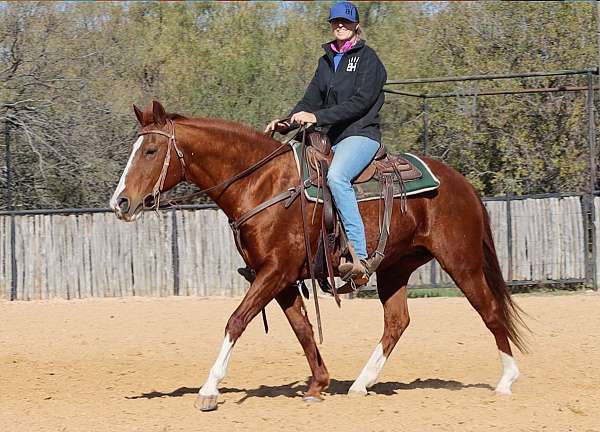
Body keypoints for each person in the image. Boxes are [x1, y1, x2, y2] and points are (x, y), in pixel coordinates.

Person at [265, 1, 387, 284]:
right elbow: (310, 100)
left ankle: (359, 254)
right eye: (335, 22)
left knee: (337, 176)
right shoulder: (326, 60)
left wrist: (316, 116)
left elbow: (360, 103)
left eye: (345, 22)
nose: (340, 26)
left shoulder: (369, 59)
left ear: (356, 25)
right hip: (329, 138)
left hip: (360, 134)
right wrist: (286, 121)